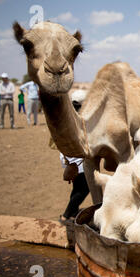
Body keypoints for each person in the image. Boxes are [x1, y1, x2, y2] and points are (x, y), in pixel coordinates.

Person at [59, 90, 89, 221]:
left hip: (67, 157)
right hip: (77, 159)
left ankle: (73, 211)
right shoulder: (81, 119)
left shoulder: (66, 115)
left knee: (77, 187)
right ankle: (66, 215)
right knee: (84, 188)